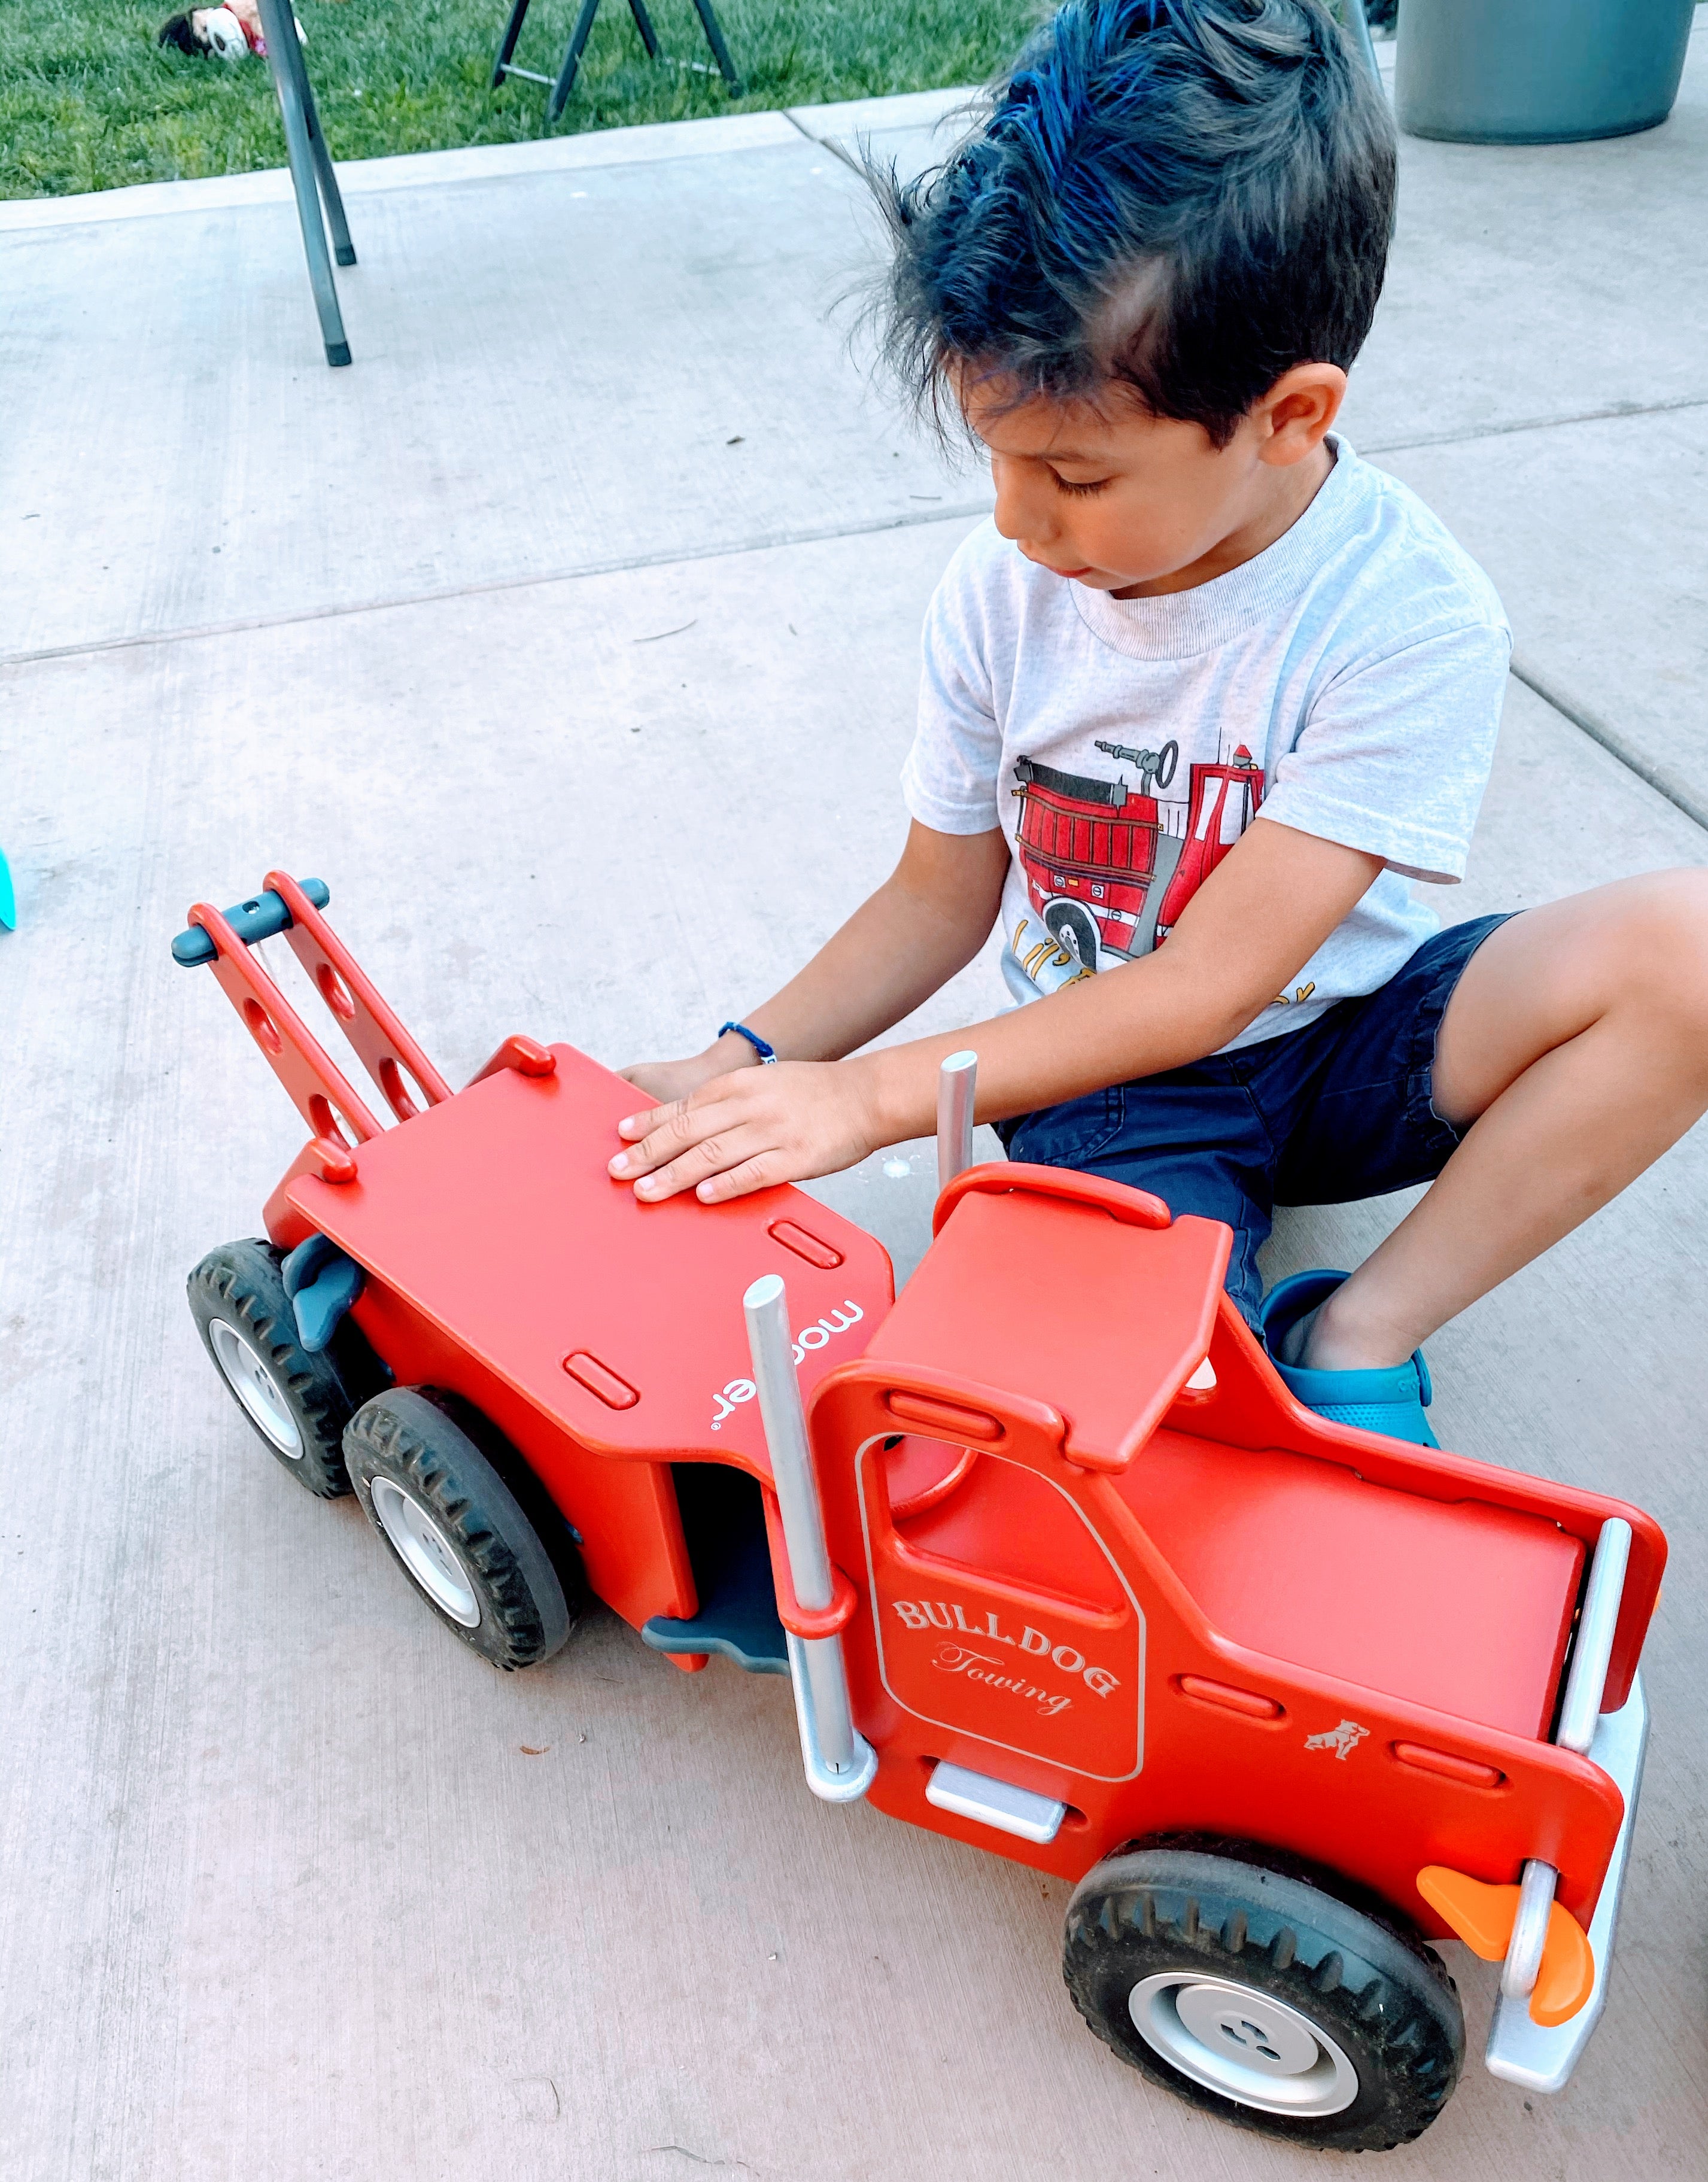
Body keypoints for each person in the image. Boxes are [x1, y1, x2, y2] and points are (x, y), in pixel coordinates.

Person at [610, 0, 1708, 1446]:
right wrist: (744, 1056)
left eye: (1070, 474)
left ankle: (1362, 1325)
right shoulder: (1004, 589)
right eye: (994, 459)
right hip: (1101, 1089)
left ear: (1288, 414)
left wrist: (869, 1098)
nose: (1014, 520)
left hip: (1338, 1047)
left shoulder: (1408, 616)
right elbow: (938, 894)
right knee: (1145, 1434)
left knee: (1687, 952)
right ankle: (1208, 1321)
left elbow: (1212, 987)